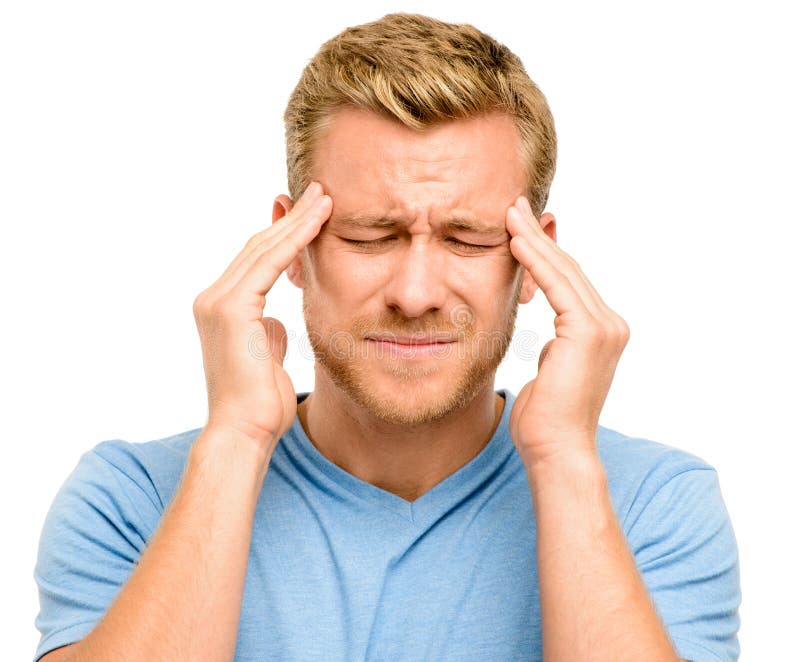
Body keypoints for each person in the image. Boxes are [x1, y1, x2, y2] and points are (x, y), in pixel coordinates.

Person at [32, 12, 741, 662]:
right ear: (294, 248)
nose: (415, 294)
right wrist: (235, 443)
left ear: (535, 260)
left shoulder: (655, 503)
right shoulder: (130, 499)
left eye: (468, 239)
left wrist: (562, 460)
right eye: (371, 236)